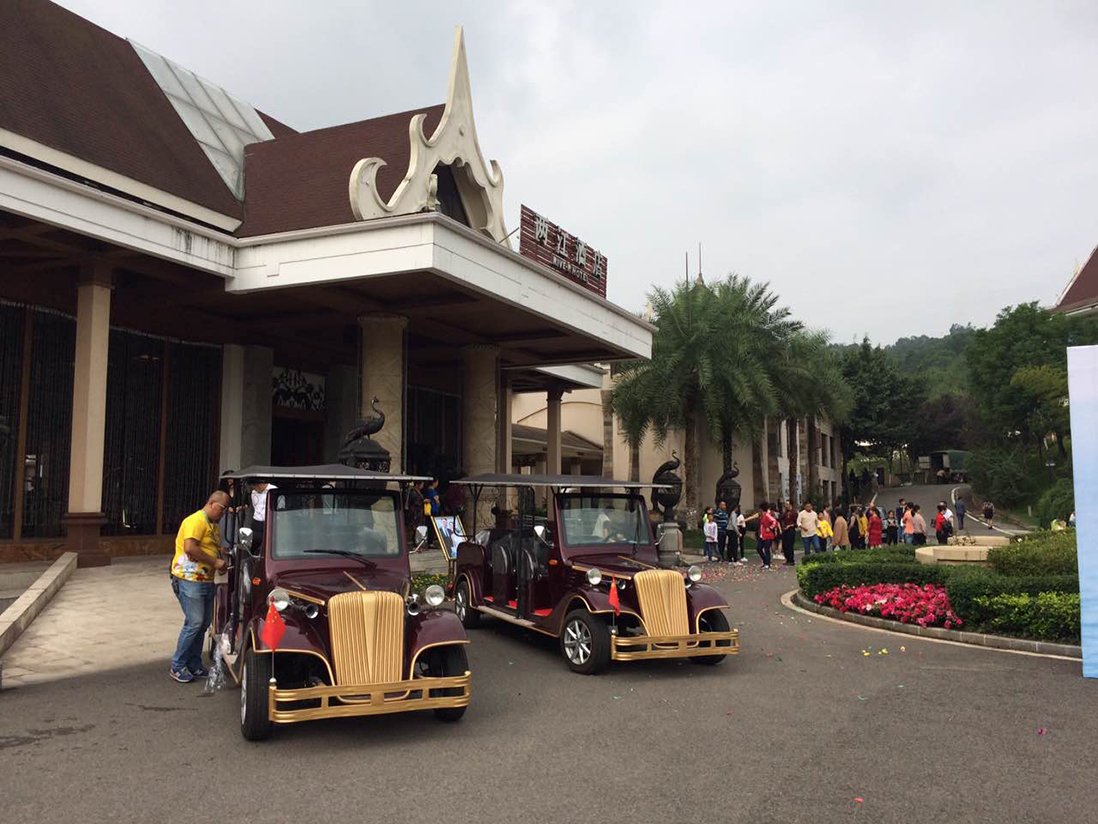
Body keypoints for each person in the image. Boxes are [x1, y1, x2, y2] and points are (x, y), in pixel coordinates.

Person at [169, 490, 229, 683]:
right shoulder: (196, 521)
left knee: (203, 624)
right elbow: (190, 548)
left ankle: (194, 664)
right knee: (194, 622)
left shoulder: (213, 526)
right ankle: (177, 665)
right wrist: (214, 562)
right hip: (189, 578)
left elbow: (212, 550)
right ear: (212, 503)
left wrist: (219, 562)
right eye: (222, 508)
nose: (223, 513)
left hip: (204, 579)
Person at [249, 479, 276, 555]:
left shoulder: (273, 489)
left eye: (256, 487)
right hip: (256, 521)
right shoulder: (254, 492)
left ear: (261, 484)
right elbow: (255, 505)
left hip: (269, 521)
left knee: (268, 543)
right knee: (254, 543)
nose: (255, 489)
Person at [756, 502, 778, 570]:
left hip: (768, 535)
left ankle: (767, 564)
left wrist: (770, 528)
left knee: (766, 549)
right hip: (762, 535)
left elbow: (774, 521)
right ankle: (765, 560)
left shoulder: (767, 515)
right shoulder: (761, 516)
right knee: (759, 548)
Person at [780, 501, 798, 566]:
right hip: (785, 531)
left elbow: (796, 523)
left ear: (790, 505)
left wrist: (790, 525)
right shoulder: (785, 513)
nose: (785, 505)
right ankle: (787, 559)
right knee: (785, 545)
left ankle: (791, 560)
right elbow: (780, 518)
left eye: (787, 504)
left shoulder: (794, 513)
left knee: (790, 546)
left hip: (791, 531)